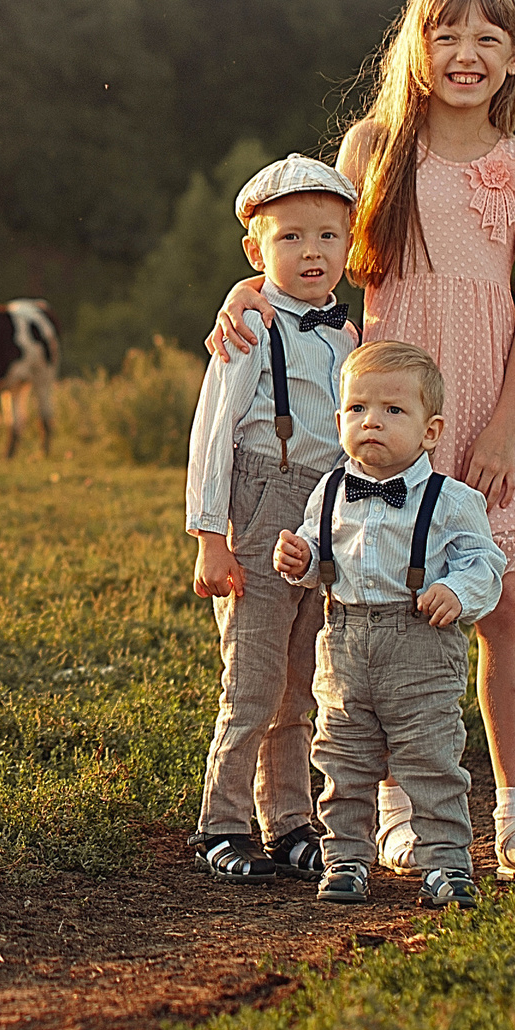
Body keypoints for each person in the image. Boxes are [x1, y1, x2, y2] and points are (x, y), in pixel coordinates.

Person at [211, 0, 515, 884]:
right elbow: (314, 259)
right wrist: (243, 289)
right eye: (446, 33)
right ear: (416, 48)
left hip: (484, 408)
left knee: (500, 605)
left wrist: (503, 426)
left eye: (487, 38)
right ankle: (394, 815)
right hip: (385, 407)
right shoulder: (372, 148)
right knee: (371, 598)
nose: (465, 51)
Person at [274, 341, 507, 908]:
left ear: (431, 432)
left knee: (429, 757)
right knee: (342, 757)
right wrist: (302, 559)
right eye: (357, 409)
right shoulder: (330, 490)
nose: (371, 421)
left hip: (419, 643)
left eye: (392, 411)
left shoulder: (452, 500)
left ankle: (447, 863)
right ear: (338, 421)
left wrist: (456, 590)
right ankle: (346, 857)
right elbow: (321, 546)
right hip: (345, 640)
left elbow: (486, 563)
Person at [184, 154, 360, 884]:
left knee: (302, 680)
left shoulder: (350, 337)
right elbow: (212, 432)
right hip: (263, 503)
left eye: (326, 235)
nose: (312, 252)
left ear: (349, 244)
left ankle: (289, 821)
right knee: (252, 681)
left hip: (328, 513)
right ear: (257, 253)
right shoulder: (250, 326)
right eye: (291, 238)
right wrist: (210, 538)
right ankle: (221, 824)